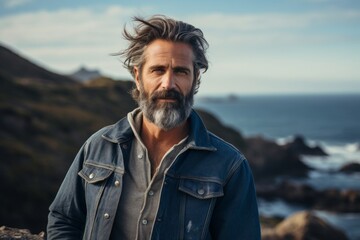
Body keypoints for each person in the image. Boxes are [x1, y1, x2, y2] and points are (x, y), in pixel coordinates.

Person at [47, 15, 261, 240]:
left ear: (195, 78)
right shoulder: (98, 147)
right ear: (138, 77)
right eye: (158, 70)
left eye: (180, 71)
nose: (168, 83)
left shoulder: (230, 166)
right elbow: (64, 219)